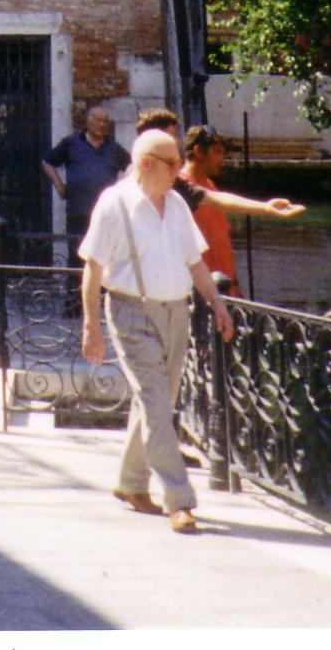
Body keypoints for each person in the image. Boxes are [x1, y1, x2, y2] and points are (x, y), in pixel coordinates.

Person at [79, 128, 233, 534]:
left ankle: (130, 484)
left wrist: (217, 304)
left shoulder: (179, 205)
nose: (181, 169)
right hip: (130, 312)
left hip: (175, 313)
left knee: (155, 403)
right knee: (155, 402)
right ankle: (179, 500)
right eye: (172, 162)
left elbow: (196, 263)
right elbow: (92, 269)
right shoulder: (114, 205)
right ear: (146, 164)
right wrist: (92, 325)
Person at [135, 107, 305, 233]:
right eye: (172, 136)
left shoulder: (179, 186)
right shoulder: (122, 195)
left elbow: (218, 199)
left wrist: (266, 208)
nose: (177, 142)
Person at [42, 104, 129, 255]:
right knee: (78, 258)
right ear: (88, 121)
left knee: (105, 256)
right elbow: (47, 162)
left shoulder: (113, 147)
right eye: (98, 120)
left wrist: (121, 188)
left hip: (106, 214)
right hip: (79, 213)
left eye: (105, 122)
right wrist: (59, 185)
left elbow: (132, 166)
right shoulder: (71, 143)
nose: (101, 125)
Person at [182, 124, 240, 293]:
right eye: (217, 152)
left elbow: (222, 240)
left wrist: (234, 285)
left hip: (224, 287)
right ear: (198, 151)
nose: (222, 160)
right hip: (199, 292)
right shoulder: (181, 191)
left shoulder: (210, 186)